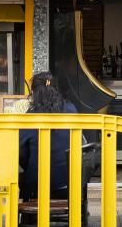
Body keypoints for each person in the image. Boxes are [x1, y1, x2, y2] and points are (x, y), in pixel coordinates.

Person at [18, 71, 78, 201]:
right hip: (69, 184)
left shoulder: (31, 117)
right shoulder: (71, 109)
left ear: (34, 93)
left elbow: (21, 153)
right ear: (56, 90)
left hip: (37, 186)